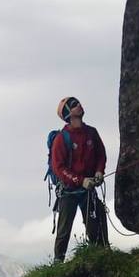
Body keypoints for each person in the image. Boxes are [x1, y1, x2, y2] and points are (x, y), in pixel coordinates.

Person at [49, 95, 109, 262]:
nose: (79, 105)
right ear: (69, 113)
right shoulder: (62, 139)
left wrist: (99, 171)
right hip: (69, 191)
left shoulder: (91, 133)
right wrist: (80, 180)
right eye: (74, 105)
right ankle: (58, 262)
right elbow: (59, 168)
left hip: (87, 188)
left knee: (95, 224)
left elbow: (101, 155)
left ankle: (101, 257)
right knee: (64, 231)